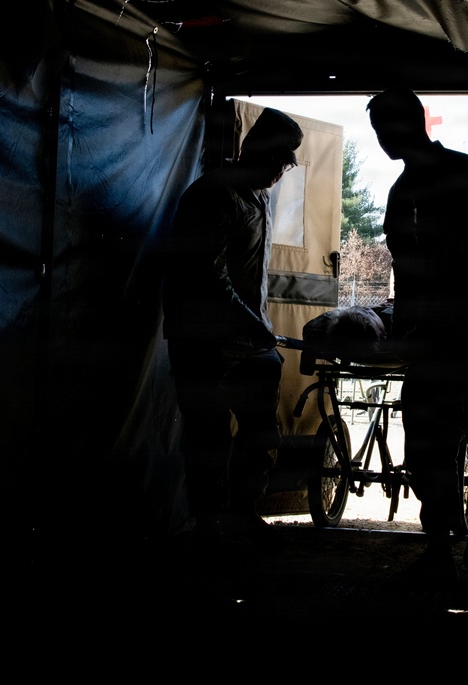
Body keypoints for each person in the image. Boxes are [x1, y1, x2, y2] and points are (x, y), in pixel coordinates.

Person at [366, 88, 468, 578]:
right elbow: (406, 268)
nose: (382, 140)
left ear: (412, 124)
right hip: (447, 335)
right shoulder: (418, 186)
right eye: (377, 132)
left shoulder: (457, 177)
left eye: (386, 129)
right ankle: (442, 541)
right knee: (432, 443)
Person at [162, 108, 304, 550]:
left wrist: (257, 327)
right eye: (280, 159)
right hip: (203, 341)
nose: (283, 170)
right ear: (256, 151)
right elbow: (207, 276)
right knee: (208, 437)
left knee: (260, 432)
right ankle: (209, 526)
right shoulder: (214, 196)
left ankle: (241, 515)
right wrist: (253, 323)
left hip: (248, 340)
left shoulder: (257, 197)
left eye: (288, 163)